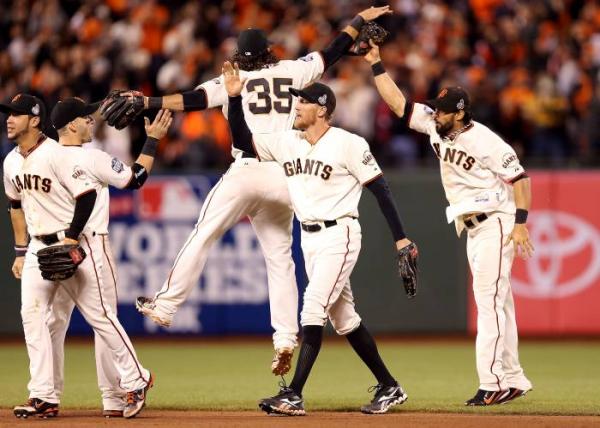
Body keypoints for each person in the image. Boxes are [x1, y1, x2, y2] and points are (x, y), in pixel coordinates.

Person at [127, 6, 393, 376]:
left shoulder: (233, 79)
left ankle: (167, 305)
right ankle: (284, 339)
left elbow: (190, 101)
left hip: (248, 167)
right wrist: (359, 20)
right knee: (279, 258)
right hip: (287, 172)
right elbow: (334, 49)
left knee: (204, 233)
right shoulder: (293, 70)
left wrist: (147, 102)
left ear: (239, 55)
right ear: (269, 51)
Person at [223, 61, 417, 415]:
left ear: (323, 109)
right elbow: (242, 141)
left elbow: (381, 189)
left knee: (313, 307)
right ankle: (390, 386)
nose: (296, 105)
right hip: (309, 239)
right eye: (296, 100)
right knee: (345, 319)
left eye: (303, 100)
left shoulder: (348, 143)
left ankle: (294, 393)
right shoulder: (287, 142)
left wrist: (401, 238)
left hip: (339, 234)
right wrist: (235, 100)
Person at [363, 42, 534, 405]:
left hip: (496, 221)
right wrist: (376, 63)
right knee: (500, 304)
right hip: (472, 225)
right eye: (435, 109)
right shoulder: (436, 126)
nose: (434, 115)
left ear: (459, 113)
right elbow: (399, 105)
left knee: (488, 302)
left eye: (441, 111)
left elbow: (520, 179)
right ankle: (514, 378)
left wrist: (521, 223)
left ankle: (493, 383)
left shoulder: (486, 140)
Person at [1, 95, 169, 418]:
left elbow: (89, 195)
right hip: (39, 247)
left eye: (15, 114)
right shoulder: (11, 162)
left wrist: (70, 236)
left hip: (75, 243)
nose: (8, 119)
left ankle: (134, 380)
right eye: (8, 114)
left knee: (100, 317)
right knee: (35, 317)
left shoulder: (61, 155)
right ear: (73, 123)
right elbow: (15, 205)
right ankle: (43, 395)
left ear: (35, 120)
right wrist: (21, 250)